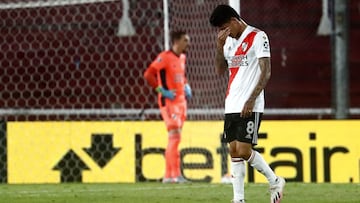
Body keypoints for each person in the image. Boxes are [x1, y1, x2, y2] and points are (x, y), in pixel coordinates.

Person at [209, 5, 285, 203]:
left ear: (234, 20)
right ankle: (238, 199)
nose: (225, 33)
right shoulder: (228, 42)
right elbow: (219, 70)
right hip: (231, 103)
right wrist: (219, 46)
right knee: (234, 152)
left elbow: (266, 71)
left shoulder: (258, 37)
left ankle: (274, 180)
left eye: (225, 27)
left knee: (244, 150)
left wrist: (251, 99)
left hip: (250, 104)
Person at [143, 30, 192, 183]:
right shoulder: (164, 57)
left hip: (181, 102)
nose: (188, 43)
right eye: (185, 40)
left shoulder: (182, 58)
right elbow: (148, 74)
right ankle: (172, 175)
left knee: (176, 137)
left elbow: (181, 76)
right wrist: (161, 90)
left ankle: (172, 176)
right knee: (175, 136)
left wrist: (186, 85)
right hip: (169, 102)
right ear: (176, 41)